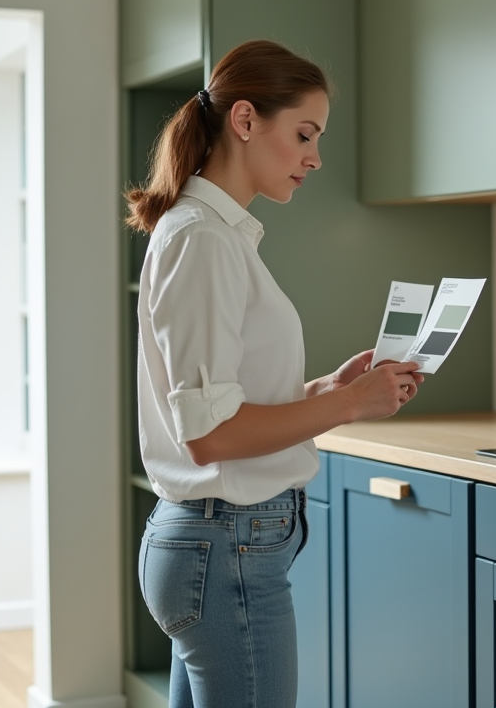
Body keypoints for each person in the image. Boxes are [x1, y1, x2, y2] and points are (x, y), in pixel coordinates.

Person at [125, 39, 423, 708]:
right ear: (245, 120)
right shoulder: (202, 239)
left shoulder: (215, 236)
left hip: (216, 544)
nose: (315, 157)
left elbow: (227, 404)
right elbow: (212, 437)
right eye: (305, 134)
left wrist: (325, 390)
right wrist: (348, 406)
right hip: (224, 544)